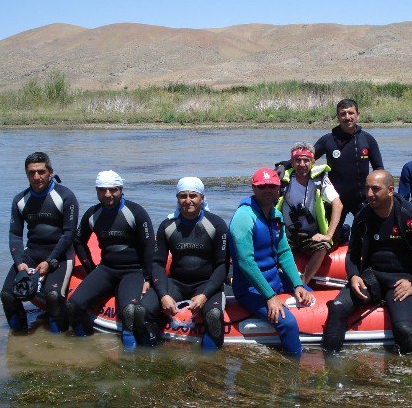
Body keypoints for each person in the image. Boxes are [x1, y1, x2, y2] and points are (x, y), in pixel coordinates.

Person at [322, 170, 412, 355]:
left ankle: (405, 372)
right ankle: (330, 366)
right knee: (337, 308)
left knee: (403, 329)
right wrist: (353, 276)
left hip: (403, 280)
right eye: (367, 188)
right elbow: (352, 254)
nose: (369, 194)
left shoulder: (408, 212)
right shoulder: (363, 216)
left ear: (390, 190)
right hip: (371, 278)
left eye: (375, 189)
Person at [228, 168, 313, 356]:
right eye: (262, 186)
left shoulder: (276, 215)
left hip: (276, 279)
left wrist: (297, 283)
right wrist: (269, 296)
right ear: (253, 188)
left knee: (310, 295)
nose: (267, 190)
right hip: (250, 288)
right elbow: (245, 262)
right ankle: (295, 367)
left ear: (278, 189)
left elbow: (284, 252)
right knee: (288, 323)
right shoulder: (244, 217)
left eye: (272, 186)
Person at [139, 177, 229, 349]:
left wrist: (205, 295)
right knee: (141, 311)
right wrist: (164, 295)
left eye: (193, 196)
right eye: (183, 196)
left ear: (202, 198)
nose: (188, 201)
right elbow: (157, 263)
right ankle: (155, 352)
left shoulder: (216, 225)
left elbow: (222, 265)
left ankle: (209, 365)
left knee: (213, 315)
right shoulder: (167, 225)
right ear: (177, 198)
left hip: (206, 284)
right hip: (176, 283)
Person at [68, 170, 154, 347]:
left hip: (133, 271)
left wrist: (148, 277)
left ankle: (129, 356)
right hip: (106, 269)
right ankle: (86, 347)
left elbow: (149, 247)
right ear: (97, 190)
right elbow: (78, 241)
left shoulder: (136, 212)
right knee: (73, 306)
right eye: (102, 190)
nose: (107, 194)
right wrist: (90, 268)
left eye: (112, 189)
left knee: (130, 312)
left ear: (121, 189)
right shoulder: (92, 214)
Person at [0, 152, 79, 332]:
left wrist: (50, 262)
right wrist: (19, 262)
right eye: (31, 173)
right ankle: (17, 341)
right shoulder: (20, 200)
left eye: (41, 171)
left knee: (52, 296)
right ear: (26, 174)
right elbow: (15, 235)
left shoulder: (65, 196)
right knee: (7, 295)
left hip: (61, 254)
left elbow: (69, 233)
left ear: (50, 171)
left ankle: (57, 342)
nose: (36, 177)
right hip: (32, 252)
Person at [276, 142, 343, 285]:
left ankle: (303, 283)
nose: (302, 164)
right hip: (287, 234)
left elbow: (338, 204)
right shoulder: (283, 180)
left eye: (306, 160)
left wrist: (328, 235)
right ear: (292, 162)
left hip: (311, 235)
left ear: (313, 161)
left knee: (323, 247)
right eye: (297, 160)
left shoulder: (319, 179)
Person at [314, 99, 384, 227]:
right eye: (343, 114)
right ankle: (344, 233)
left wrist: (378, 194)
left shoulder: (367, 139)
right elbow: (305, 159)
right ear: (338, 117)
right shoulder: (328, 140)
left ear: (358, 115)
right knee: (331, 242)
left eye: (351, 113)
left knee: (369, 238)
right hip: (335, 200)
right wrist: (284, 165)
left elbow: (379, 169)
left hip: (362, 199)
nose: (347, 117)